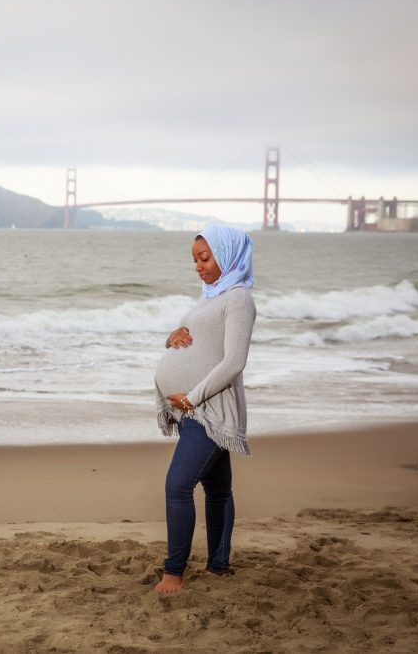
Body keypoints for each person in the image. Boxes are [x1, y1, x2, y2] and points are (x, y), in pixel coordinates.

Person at [152, 225, 257, 594]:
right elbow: (194, 342)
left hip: (209, 412)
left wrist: (193, 399)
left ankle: (174, 574)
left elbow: (234, 362)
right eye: (195, 259)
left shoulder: (239, 299)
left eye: (205, 258)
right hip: (191, 412)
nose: (198, 266)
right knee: (218, 489)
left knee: (178, 486)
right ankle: (218, 566)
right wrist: (171, 338)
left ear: (227, 256)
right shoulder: (209, 297)